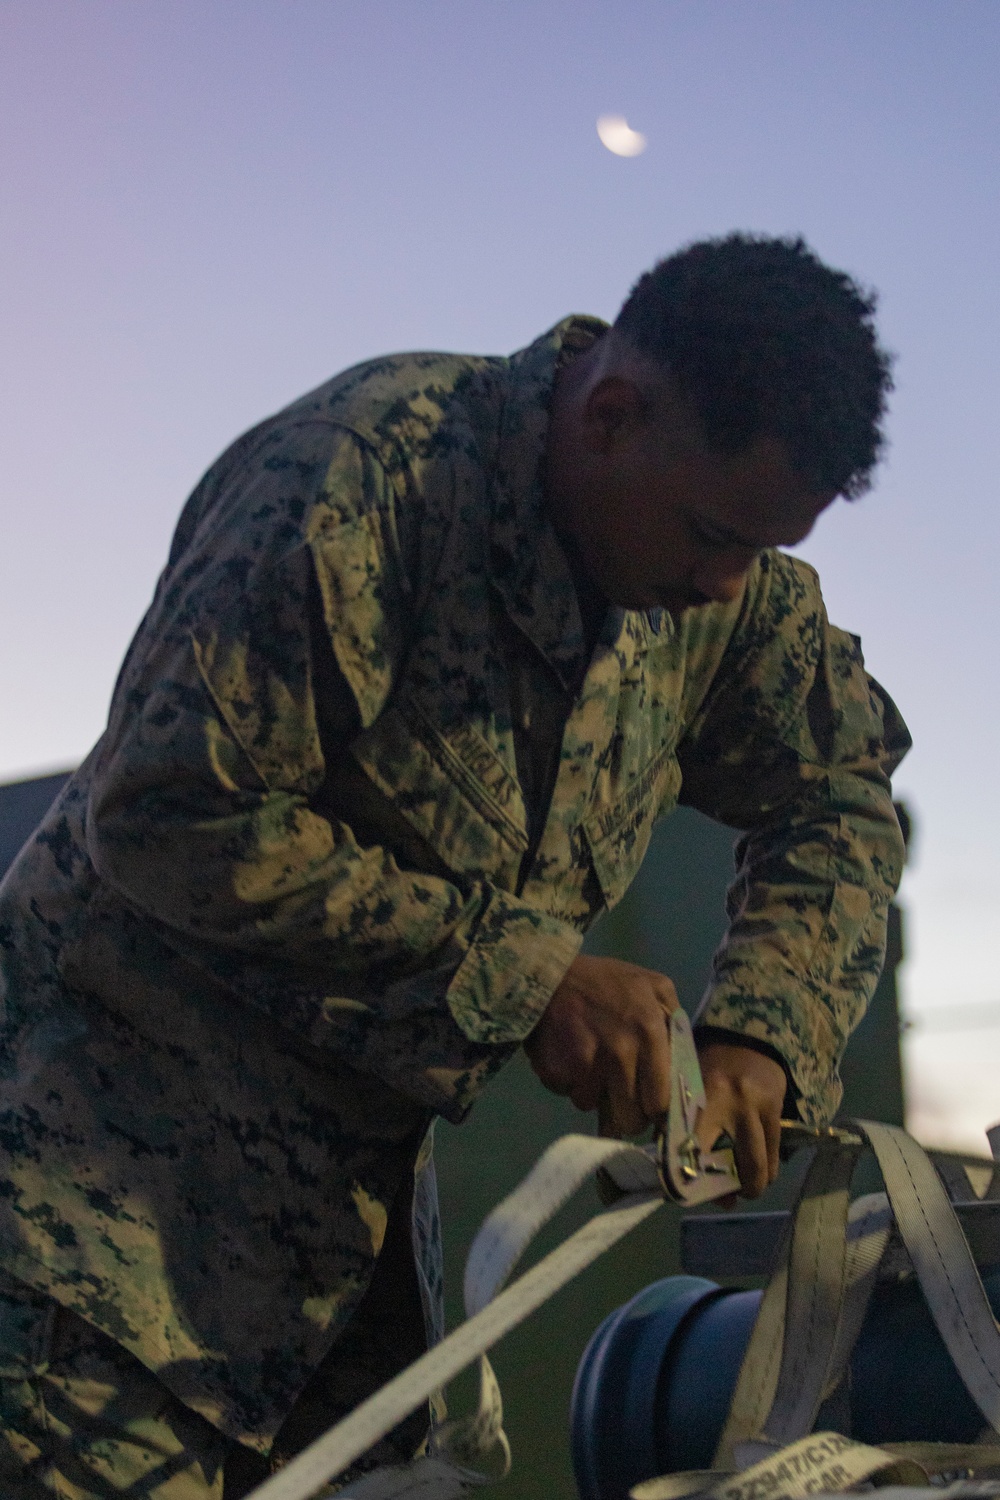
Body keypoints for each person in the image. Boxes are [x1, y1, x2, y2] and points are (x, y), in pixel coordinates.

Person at [0, 234, 909, 1497]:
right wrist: (524, 975)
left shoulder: (713, 596)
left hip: (343, 1290)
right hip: (83, 1257)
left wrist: (761, 1031)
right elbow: (167, 812)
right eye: (711, 533)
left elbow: (842, 796)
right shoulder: (362, 483)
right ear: (611, 414)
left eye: (759, 547)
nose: (724, 584)